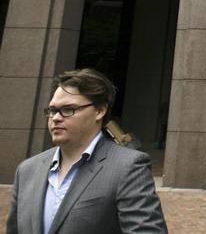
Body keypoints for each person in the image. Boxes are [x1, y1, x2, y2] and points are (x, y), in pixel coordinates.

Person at [6, 68, 167, 234]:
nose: (56, 118)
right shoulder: (27, 170)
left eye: (68, 109)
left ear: (99, 111)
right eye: (52, 110)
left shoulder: (128, 167)